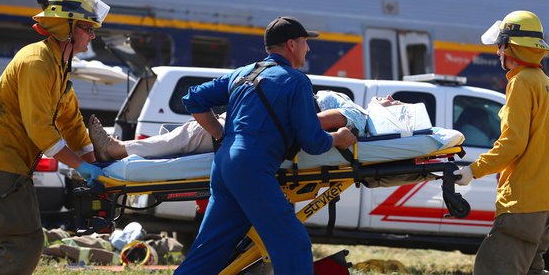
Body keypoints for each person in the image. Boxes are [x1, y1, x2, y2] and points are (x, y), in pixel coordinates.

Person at [142, 16, 357, 275]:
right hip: (253, 169)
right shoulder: (295, 81)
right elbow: (313, 141)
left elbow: (193, 99)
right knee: (294, 245)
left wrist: (219, 135)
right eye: (306, 42)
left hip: (225, 166)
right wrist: (339, 138)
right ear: (292, 45)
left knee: (208, 250)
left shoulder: (245, 73)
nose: (309, 48)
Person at [0, 0, 109, 275]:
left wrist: (94, 161)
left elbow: (70, 120)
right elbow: (41, 129)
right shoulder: (36, 62)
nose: (92, 35)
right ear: (66, 26)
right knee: (25, 240)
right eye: (87, 28)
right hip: (2, 162)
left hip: (9, 162)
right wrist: (81, 169)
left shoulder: (58, 65)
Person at [454, 10, 549, 275]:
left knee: (492, 271)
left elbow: (512, 143)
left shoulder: (521, 83)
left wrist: (473, 170)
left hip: (525, 201)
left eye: (500, 46)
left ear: (511, 47)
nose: (497, 52)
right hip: (547, 198)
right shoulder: (544, 82)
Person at [87, 90, 369, 161]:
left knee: (191, 134)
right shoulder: (346, 103)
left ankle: (116, 149)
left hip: (254, 132)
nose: (386, 98)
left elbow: (343, 121)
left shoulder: (356, 110)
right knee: (187, 135)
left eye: (390, 100)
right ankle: (129, 148)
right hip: (260, 128)